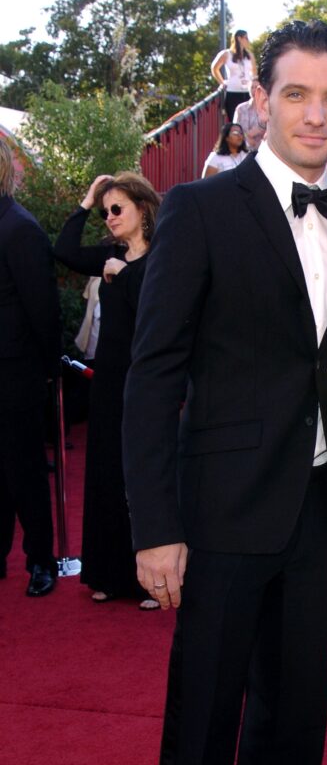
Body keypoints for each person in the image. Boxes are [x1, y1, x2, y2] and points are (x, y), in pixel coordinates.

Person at [122, 20, 327, 765]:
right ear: (258, 100)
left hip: (317, 509)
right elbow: (154, 374)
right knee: (205, 715)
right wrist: (156, 525)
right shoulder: (199, 208)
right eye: (300, 95)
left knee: (298, 705)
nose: (319, 114)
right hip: (220, 514)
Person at [54, 172, 161, 608]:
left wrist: (127, 276)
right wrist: (84, 202)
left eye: (118, 208)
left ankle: (149, 580)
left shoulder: (162, 257)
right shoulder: (109, 256)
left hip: (147, 381)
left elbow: (157, 314)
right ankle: (108, 573)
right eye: (106, 211)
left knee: (145, 478)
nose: (111, 217)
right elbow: (62, 252)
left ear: (141, 208)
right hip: (108, 381)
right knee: (105, 473)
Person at [0, 137, 60, 595]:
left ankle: (42, 560)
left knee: (23, 469)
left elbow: (43, 310)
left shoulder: (21, 229)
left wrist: (46, 371)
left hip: (16, 374)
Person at [211, 30, 257, 121]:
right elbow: (214, 68)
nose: (248, 41)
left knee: (249, 120)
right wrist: (222, 82)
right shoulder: (226, 54)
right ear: (239, 38)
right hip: (232, 92)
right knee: (235, 121)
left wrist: (253, 86)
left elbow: (254, 73)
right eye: (246, 38)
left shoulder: (249, 55)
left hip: (247, 93)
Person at [233, 79, 265, 151]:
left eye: (256, 87)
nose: (254, 90)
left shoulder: (267, 109)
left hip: (263, 150)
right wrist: (247, 137)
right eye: (252, 87)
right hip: (243, 149)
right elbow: (234, 130)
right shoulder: (240, 108)